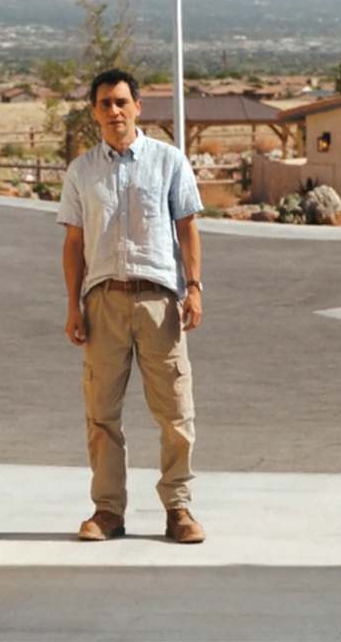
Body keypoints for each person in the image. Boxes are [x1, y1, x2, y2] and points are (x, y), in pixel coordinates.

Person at [56, 68, 206, 544]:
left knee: (174, 412)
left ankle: (178, 510)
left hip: (160, 301)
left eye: (122, 102)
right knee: (102, 413)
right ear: (94, 111)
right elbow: (73, 242)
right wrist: (73, 306)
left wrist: (195, 287)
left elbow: (187, 228)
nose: (114, 111)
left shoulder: (168, 161)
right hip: (103, 302)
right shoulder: (82, 171)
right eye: (105, 103)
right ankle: (107, 512)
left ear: (138, 106)